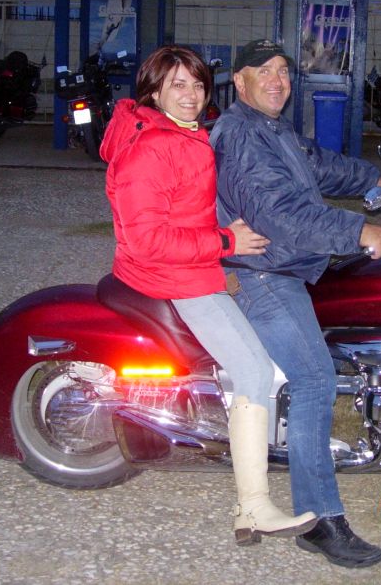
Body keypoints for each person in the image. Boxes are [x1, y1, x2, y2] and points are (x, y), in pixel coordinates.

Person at [99, 45, 317, 547]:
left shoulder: (182, 132)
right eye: (178, 85)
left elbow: (187, 206)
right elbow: (147, 240)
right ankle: (253, 508)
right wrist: (225, 243)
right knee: (254, 370)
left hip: (194, 266)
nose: (192, 95)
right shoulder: (151, 148)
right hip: (172, 276)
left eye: (197, 85)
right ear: (153, 91)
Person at [210, 39, 381, 569]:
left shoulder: (272, 129)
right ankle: (320, 521)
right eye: (264, 70)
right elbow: (281, 214)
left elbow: (315, 165)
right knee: (315, 378)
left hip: (282, 265)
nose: (278, 80)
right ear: (239, 81)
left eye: (284, 71)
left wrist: (378, 181)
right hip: (262, 273)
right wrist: (357, 229)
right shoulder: (241, 135)